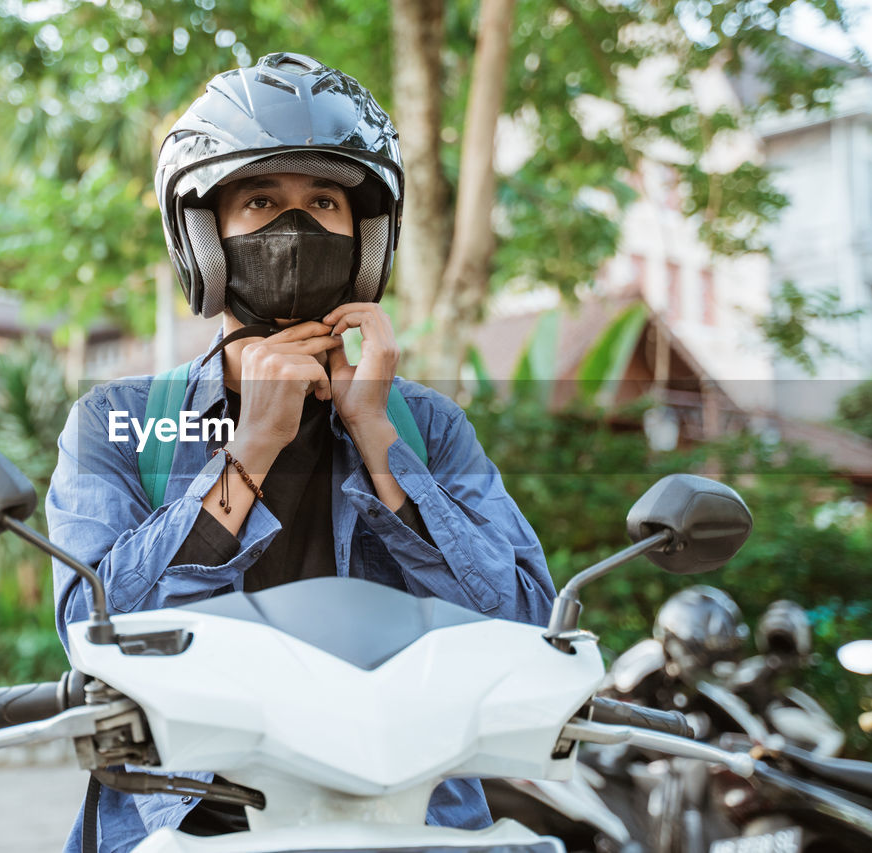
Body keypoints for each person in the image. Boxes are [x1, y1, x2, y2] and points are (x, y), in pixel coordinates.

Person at [46, 52, 555, 853]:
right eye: (260, 200)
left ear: (366, 237)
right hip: (185, 827)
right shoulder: (121, 421)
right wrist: (249, 452)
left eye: (325, 199)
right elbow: (93, 634)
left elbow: (526, 628)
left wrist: (381, 442)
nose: (299, 226)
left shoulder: (430, 426)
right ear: (206, 236)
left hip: (407, 822)